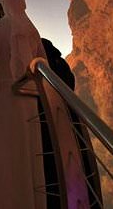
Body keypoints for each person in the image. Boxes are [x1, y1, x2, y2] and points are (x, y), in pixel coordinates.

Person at [0, 0, 46, 209]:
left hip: (3, 99)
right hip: (28, 100)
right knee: (27, 152)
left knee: (2, 154)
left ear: (1, 7)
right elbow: (42, 66)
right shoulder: (32, 31)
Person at [39, 37, 75, 209]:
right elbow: (71, 85)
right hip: (69, 120)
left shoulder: (44, 68)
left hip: (49, 122)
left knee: (52, 170)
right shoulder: (61, 64)